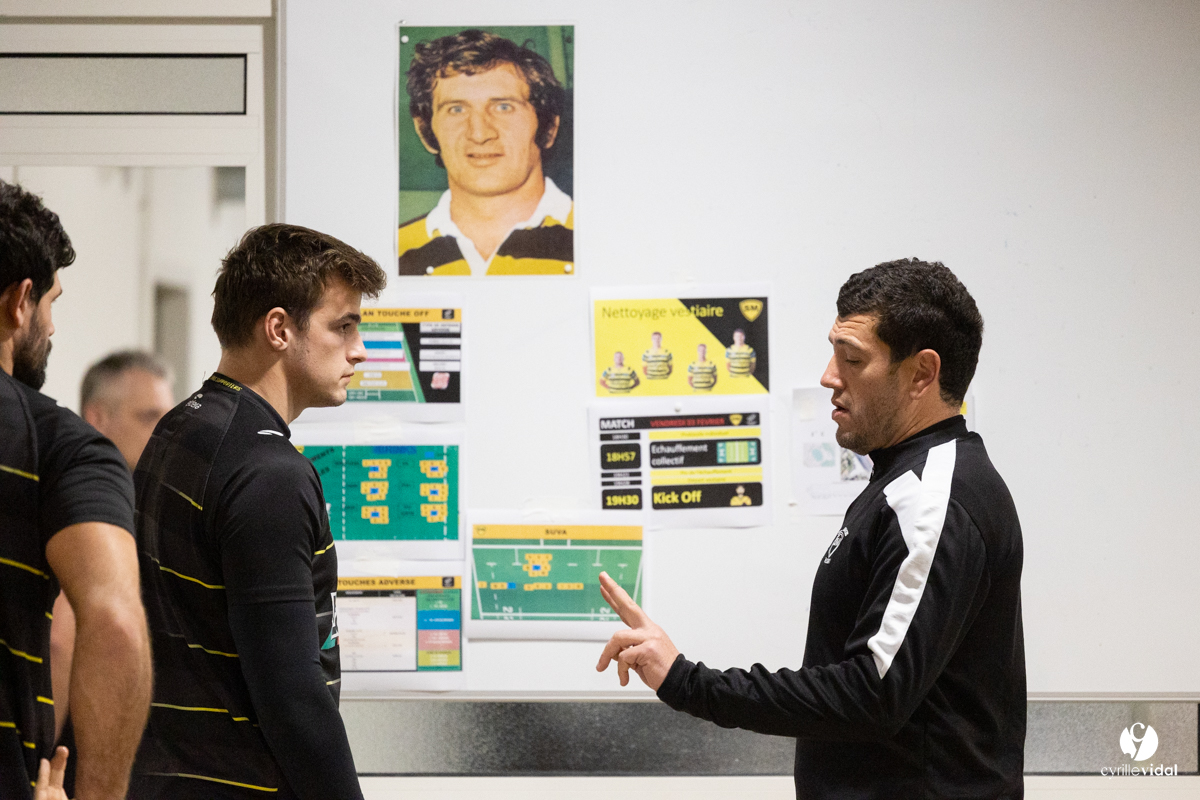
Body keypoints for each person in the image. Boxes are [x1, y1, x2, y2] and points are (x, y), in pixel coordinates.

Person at [596, 258, 1025, 799]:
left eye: (852, 358)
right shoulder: (905, 485)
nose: (829, 376)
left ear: (921, 373)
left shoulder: (931, 498)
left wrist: (686, 681)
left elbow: (872, 692)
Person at [130, 223, 386, 799]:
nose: (359, 349)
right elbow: (292, 694)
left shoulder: (181, 426)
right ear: (279, 329)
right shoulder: (270, 472)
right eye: (342, 326)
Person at [0, 179, 153, 800]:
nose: (52, 326)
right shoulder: (56, 445)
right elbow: (113, 626)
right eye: (51, 303)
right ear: (20, 301)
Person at [47, 351, 175, 791]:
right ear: (97, 417)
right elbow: (61, 640)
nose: (163, 431)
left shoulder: (146, 506)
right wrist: (38, 769)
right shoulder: (85, 499)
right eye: (149, 417)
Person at [398, 29, 573, 276]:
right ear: (426, 131)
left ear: (549, 128)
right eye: (456, 109)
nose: (479, 134)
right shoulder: (391, 255)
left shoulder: (600, 240)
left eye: (503, 107)